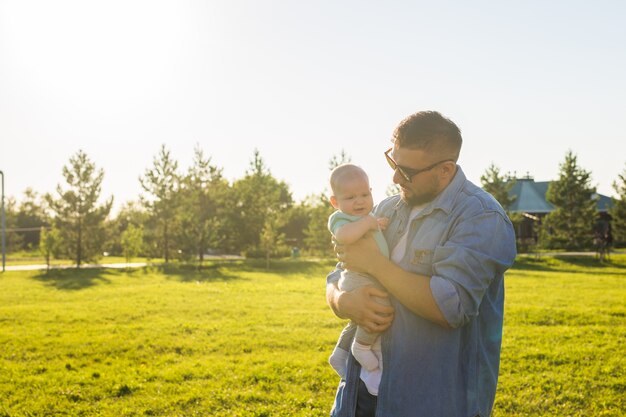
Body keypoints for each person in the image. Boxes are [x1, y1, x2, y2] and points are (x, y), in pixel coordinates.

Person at [326, 111, 517, 417]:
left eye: (407, 171)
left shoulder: (480, 217)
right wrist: (343, 301)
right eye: (393, 163)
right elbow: (338, 274)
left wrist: (375, 265)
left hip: (431, 401)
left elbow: (449, 307)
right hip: (359, 393)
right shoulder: (388, 208)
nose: (395, 178)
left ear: (445, 169)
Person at [326, 164, 390, 382]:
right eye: (351, 197)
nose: (360, 201)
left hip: (368, 274)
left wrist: (376, 223)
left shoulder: (368, 216)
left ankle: (340, 353)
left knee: (357, 320)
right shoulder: (340, 219)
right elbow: (344, 236)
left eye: (364, 194)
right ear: (336, 202)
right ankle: (361, 346)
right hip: (357, 277)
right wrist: (369, 223)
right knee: (378, 308)